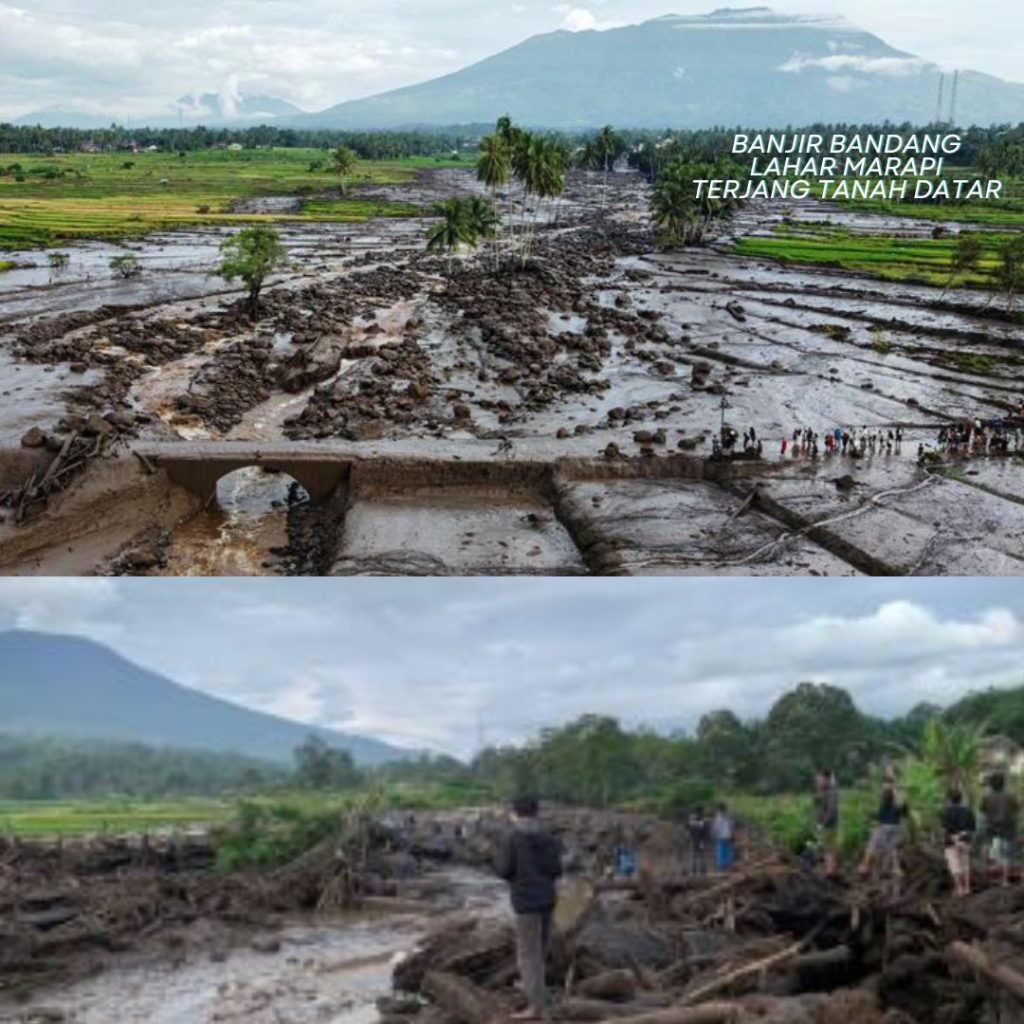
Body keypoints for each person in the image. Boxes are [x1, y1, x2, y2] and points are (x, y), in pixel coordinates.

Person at [495, 796, 563, 1021]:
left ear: (514, 812)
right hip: (547, 899)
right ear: (537, 811)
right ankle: (537, 991)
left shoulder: (512, 836)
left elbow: (504, 870)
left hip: (526, 902)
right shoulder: (548, 836)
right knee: (540, 951)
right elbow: (556, 870)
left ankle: (536, 1008)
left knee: (527, 956)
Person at [859, 778, 906, 893]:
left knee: (872, 845)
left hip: (885, 827)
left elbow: (882, 815)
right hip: (895, 826)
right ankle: (896, 870)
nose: (884, 787)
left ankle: (864, 867)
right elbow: (903, 812)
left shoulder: (888, 796)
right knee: (893, 850)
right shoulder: (899, 797)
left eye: (885, 785)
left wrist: (876, 822)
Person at [981, 772, 1020, 887]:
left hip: (991, 826)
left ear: (991, 784)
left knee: (987, 846)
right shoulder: (1010, 796)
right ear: (1003, 783)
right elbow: (1017, 809)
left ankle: (986, 870)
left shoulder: (986, 797)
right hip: (1008, 827)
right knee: (1006, 855)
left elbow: (983, 811)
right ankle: (1005, 881)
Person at [942, 788, 977, 897]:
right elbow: (973, 828)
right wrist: (962, 835)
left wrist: (954, 838)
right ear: (961, 798)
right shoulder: (968, 811)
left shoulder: (946, 811)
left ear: (949, 799)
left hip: (950, 842)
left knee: (954, 865)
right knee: (965, 864)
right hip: (965, 840)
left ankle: (959, 888)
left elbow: (945, 829)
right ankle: (967, 888)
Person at [814, 769, 840, 878]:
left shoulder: (831, 792)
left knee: (829, 848)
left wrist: (824, 823)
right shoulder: (824, 791)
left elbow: (832, 810)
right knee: (827, 847)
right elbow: (818, 807)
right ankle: (830, 870)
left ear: (826, 779)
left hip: (829, 824)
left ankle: (830, 871)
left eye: (820, 780)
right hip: (826, 824)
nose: (817, 782)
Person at [686, 806, 711, 875]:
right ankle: (702, 870)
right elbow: (706, 832)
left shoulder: (692, 821)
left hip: (694, 840)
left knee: (695, 856)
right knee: (701, 856)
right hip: (699, 840)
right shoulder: (703, 821)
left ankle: (695, 870)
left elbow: (688, 831)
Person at [712, 803, 735, 871]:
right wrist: (732, 834)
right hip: (727, 836)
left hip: (720, 836)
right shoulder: (728, 816)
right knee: (727, 850)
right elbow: (731, 826)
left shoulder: (718, 817)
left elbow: (716, 828)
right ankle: (727, 865)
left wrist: (714, 834)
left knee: (721, 851)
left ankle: (721, 866)